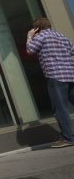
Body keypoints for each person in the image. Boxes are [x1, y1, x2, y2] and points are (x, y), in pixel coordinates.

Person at [26, 17, 74, 148]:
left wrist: (29, 37)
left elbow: (30, 50)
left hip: (55, 76)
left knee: (60, 109)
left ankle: (69, 138)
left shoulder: (41, 37)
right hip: (71, 75)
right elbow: (72, 50)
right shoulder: (61, 36)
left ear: (36, 28)